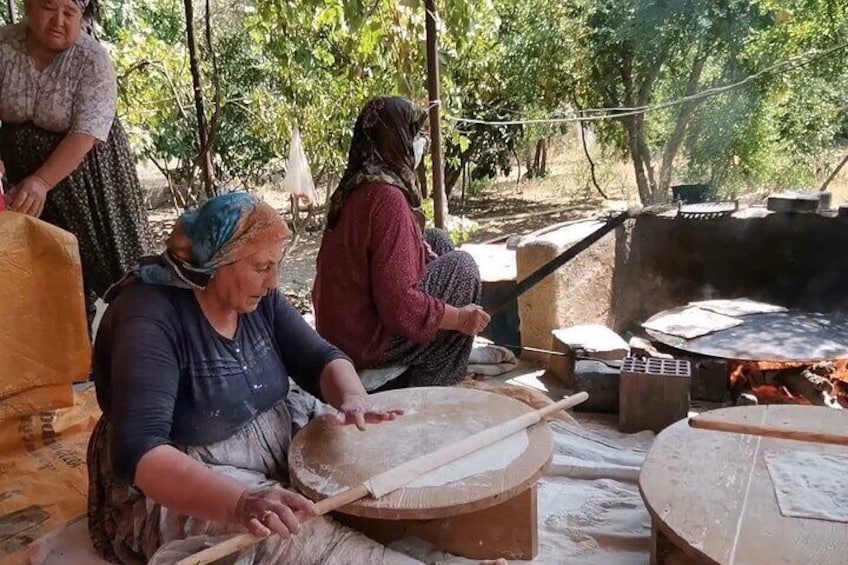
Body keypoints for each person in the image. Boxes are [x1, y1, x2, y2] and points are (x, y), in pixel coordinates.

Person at [86, 192, 411, 564]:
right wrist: (240, 504)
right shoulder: (148, 318)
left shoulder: (257, 297)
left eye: (276, 266)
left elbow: (318, 358)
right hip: (185, 477)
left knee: (374, 477)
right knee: (299, 541)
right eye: (262, 267)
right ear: (216, 264)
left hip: (271, 433)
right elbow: (141, 452)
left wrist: (353, 397)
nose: (273, 281)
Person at [312, 96, 491, 388]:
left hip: (341, 329)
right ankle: (432, 386)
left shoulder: (356, 186)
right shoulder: (386, 198)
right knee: (463, 269)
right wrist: (460, 318)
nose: (419, 142)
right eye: (414, 133)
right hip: (364, 341)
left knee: (437, 240)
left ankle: (426, 361)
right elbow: (399, 305)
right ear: (396, 140)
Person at [0, 0, 151, 327]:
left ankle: (141, 339)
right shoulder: (4, 45)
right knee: (49, 271)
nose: (58, 21)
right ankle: (70, 348)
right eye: (48, 8)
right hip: (23, 178)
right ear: (28, 7)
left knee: (119, 270)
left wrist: (42, 181)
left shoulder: (92, 59)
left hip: (87, 180)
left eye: (69, 12)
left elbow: (87, 132)